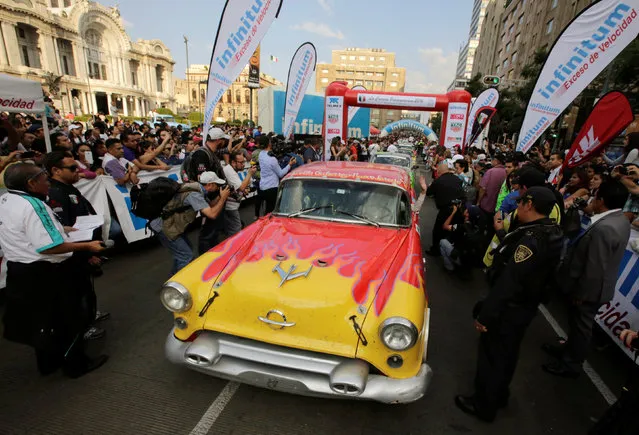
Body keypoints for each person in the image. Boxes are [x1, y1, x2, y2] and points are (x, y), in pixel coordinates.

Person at [456, 186, 563, 422]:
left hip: (510, 308)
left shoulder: (531, 240)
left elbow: (510, 281)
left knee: (492, 356)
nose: (517, 206)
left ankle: (483, 404)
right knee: (507, 354)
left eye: (521, 202)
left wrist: (486, 316)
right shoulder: (548, 230)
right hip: (524, 306)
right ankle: (498, 395)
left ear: (529, 205)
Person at [0, 163, 107, 378]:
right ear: (31, 183)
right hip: (45, 272)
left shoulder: (5, 199)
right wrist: (87, 246)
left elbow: (24, 231)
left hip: (19, 270)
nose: (48, 182)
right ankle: (76, 365)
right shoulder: (33, 205)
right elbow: (49, 247)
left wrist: (61, 229)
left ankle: (48, 363)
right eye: (43, 178)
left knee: (42, 320)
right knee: (67, 318)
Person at [542, 181, 631, 378]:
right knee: (576, 324)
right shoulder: (619, 219)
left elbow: (594, 266)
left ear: (601, 200)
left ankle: (572, 363)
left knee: (581, 327)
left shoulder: (605, 228)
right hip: (595, 286)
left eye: (596, 196)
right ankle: (568, 351)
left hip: (589, 290)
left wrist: (582, 293)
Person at [44, 151, 110, 340]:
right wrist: (87, 251)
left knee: (86, 289)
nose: (77, 172)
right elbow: (65, 229)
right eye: (72, 168)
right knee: (77, 292)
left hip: (85, 248)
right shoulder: (55, 192)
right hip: (75, 253)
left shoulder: (69, 188)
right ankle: (82, 326)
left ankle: (88, 315)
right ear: (56, 170)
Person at [150, 172, 230, 275]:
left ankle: (172, 278)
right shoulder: (194, 194)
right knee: (186, 256)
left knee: (183, 254)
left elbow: (210, 206)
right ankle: (177, 286)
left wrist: (220, 196)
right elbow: (212, 214)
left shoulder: (197, 190)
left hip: (171, 225)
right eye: (217, 185)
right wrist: (223, 198)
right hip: (164, 227)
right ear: (209, 185)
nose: (218, 187)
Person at [426, 162, 464, 256]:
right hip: (458, 208)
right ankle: (452, 248)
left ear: (439, 171)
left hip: (445, 209)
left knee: (437, 231)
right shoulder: (457, 179)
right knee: (454, 230)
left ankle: (436, 250)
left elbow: (428, 193)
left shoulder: (438, 181)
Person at [222, 151, 256, 238]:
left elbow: (238, 189)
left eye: (244, 162)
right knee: (236, 232)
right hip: (230, 207)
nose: (244, 165)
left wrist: (243, 191)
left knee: (233, 229)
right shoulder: (229, 170)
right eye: (241, 162)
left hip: (231, 206)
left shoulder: (232, 170)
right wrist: (249, 174)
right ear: (233, 162)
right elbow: (241, 187)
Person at [258, 137, 296, 214]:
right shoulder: (272, 159)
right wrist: (289, 164)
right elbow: (281, 173)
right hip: (272, 188)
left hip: (262, 186)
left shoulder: (260, 154)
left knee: (267, 210)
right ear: (269, 144)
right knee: (270, 212)